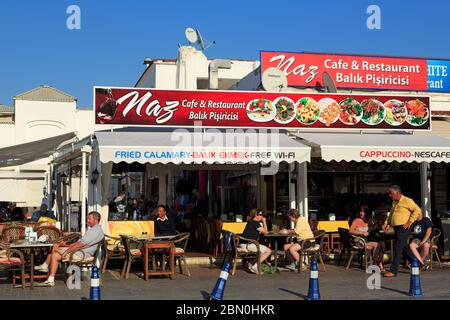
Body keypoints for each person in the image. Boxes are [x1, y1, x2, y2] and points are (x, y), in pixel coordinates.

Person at [34, 211, 104, 287]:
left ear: (96, 220)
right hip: (80, 251)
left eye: (89, 219)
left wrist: (66, 251)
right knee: (56, 246)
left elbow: (80, 244)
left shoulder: (94, 231)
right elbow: (80, 243)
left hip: (81, 254)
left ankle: (49, 276)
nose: (87, 221)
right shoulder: (96, 230)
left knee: (55, 254)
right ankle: (46, 268)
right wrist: (66, 245)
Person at [382, 185, 421, 278]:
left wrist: (409, 221)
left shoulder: (407, 201)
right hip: (397, 228)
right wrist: (386, 223)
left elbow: (417, 210)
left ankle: (393, 271)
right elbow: (391, 214)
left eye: (391, 193)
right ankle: (418, 263)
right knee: (404, 248)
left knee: (398, 249)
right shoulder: (394, 202)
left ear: (397, 193)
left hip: (404, 228)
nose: (390, 195)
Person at [350, 205, 386, 272]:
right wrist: (361, 233)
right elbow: (350, 230)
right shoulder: (356, 220)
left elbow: (372, 231)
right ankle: (377, 265)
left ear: (367, 213)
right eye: (360, 211)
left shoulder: (369, 221)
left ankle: (378, 264)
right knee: (378, 245)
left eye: (363, 212)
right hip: (360, 241)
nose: (361, 213)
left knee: (382, 243)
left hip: (368, 240)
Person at [241, 209, 272, 274]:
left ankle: (252, 264)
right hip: (248, 245)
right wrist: (264, 221)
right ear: (255, 215)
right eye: (260, 215)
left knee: (262, 250)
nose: (262, 216)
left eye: (262, 215)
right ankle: (255, 266)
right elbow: (266, 232)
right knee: (268, 251)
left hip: (244, 244)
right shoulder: (255, 222)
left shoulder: (251, 222)